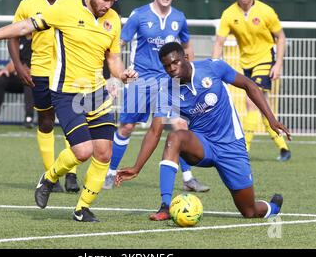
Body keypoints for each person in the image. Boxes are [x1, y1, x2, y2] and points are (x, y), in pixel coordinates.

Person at [0, 0, 138, 222]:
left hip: (97, 93)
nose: (108, 6)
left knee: (104, 153)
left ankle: (81, 208)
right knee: (82, 152)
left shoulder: (113, 20)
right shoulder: (65, 7)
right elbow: (24, 25)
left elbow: (112, 59)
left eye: (112, 1)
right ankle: (49, 177)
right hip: (67, 93)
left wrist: (123, 75)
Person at [116, 42, 291, 220]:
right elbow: (155, 131)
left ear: (185, 57)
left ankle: (273, 207)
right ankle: (165, 206)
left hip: (231, 145)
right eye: (167, 66)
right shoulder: (167, 89)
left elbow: (249, 85)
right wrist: (137, 167)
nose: (171, 69)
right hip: (202, 145)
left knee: (249, 211)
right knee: (175, 137)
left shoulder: (213, 67)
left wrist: (271, 119)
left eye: (175, 62)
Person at [102, 0, 210, 193]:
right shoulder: (139, 15)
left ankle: (188, 178)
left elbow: (187, 47)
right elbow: (118, 44)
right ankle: (110, 173)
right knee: (127, 126)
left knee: (179, 125)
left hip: (169, 82)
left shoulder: (179, 18)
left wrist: (191, 73)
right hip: (140, 80)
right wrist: (115, 75)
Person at [9, 0, 79, 193]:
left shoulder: (74, 2)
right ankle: (52, 176)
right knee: (46, 121)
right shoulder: (27, 4)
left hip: (69, 71)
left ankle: (71, 174)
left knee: (72, 122)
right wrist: (19, 66)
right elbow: (13, 36)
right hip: (40, 71)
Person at [212, 0, 291, 162]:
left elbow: (281, 37)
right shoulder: (229, 14)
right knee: (261, 105)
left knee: (251, 103)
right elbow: (219, 42)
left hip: (265, 59)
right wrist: (213, 67)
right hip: (246, 63)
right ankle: (283, 148)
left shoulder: (266, 11)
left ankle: (243, 149)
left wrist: (278, 63)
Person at [0, 35, 34, 129]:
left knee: (29, 82)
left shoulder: (39, 39)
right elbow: (14, 62)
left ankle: (29, 119)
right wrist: (5, 69)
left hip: (35, 78)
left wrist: (29, 71)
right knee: (0, 79)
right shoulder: (19, 39)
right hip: (20, 76)